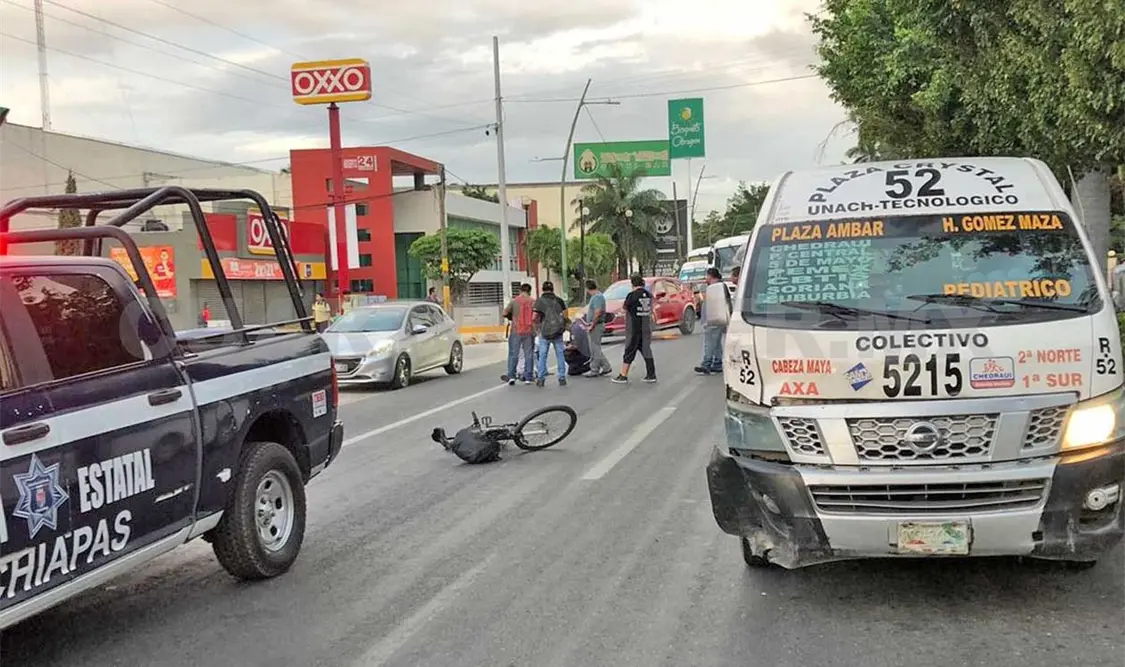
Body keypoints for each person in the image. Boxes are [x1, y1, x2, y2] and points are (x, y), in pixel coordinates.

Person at [612, 275, 656, 384]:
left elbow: (624, 308)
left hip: (634, 328)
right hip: (646, 326)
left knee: (629, 351)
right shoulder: (648, 295)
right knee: (646, 350)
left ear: (632, 284)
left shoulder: (632, 296)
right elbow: (651, 309)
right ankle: (651, 374)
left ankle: (623, 375)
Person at [533, 281, 569, 387]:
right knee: (560, 355)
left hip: (544, 332)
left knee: (542, 356)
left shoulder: (539, 301)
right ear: (553, 289)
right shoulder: (559, 300)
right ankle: (562, 377)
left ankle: (541, 379)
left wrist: (537, 328)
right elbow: (566, 316)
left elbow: (534, 317)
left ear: (542, 289)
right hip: (558, 332)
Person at [501, 283, 535, 386]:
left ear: (520, 290)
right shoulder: (533, 301)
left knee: (513, 354)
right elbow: (536, 316)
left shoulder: (514, 301)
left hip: (516, 330)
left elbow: (504, 313)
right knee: (529, 354)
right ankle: (528, 377)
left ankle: (511, 376)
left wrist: (511, 316)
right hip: (529, 331)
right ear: (529, 291)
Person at [694, 268, 725, 375]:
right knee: (716, 343)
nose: (706, 278)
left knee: (709, 342)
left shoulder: (714, 288)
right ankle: (717, 363)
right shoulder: (720, 286)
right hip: (717, 318)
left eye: (707, 276)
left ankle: (706, 364)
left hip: (713, 319)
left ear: (710, 276)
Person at [582, 279, 612, 377]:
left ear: (587, 288)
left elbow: (597, 311)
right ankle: (605, 366)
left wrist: (592, 324)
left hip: (596, 325)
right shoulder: (597, 296)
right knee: (595, 347)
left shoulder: (597, 297)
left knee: (595, 348)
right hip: (595, 324)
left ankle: (595, 369)